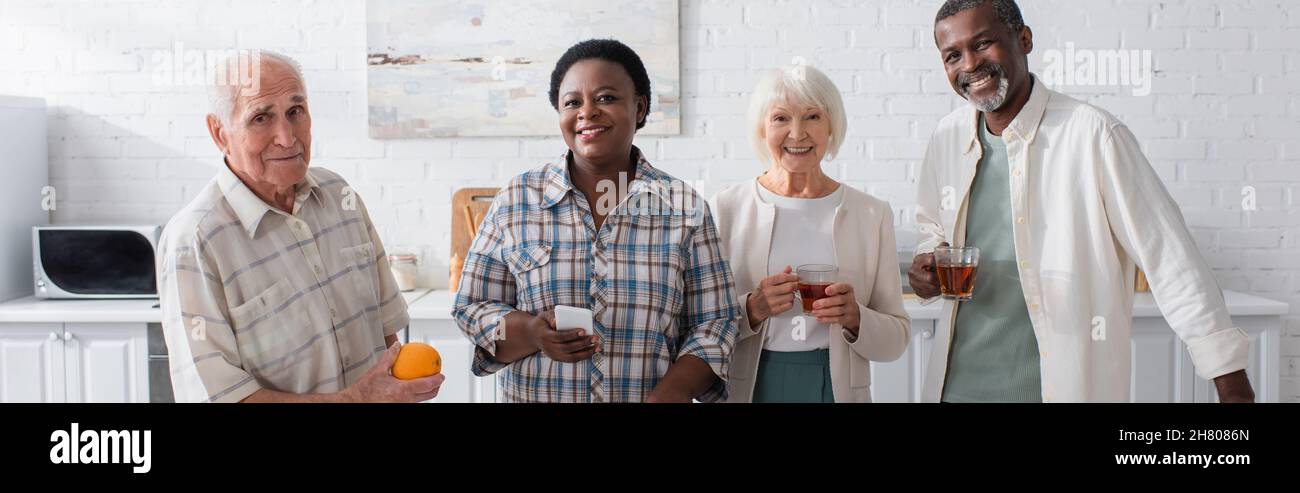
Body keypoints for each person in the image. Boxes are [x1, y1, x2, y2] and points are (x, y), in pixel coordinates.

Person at [910, 0, 1254, 402]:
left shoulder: (1094, 135)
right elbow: (931, 227)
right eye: (953, 55)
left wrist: (1228, 378)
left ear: (1024, 39)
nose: (969, 64)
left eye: (983, 44)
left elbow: (1169, 257)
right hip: (956, 390)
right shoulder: (946, 139)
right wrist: (927, 264)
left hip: (1060, 390)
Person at [453, 39, 740, 403]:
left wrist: (673, 391)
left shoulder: (683, 206)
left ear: (639, 108)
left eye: (606, 98)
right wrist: (531, 333)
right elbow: (472, 307)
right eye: (572, 102)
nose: (587, 112)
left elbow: (716, 322)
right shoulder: (517, 200)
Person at [157, 50, 444, 402]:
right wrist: (355, 400)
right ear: (220, 133)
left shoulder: (340, 197)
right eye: (261, 118)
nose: (287, 137)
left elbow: (386, 337)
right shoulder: (194, 241)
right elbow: (218, 398)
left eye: (296, 112)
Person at [712, 65, 909, 403]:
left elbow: (897, 337)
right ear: (761, 128)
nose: (797, 133)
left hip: (835, 386)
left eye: (812, 116)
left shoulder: (871, 213)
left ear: (832, 125)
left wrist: (856, 317)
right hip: (753, 383)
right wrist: (752, 308)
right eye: (780, 118)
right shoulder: (726, 208)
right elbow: (697, 327)